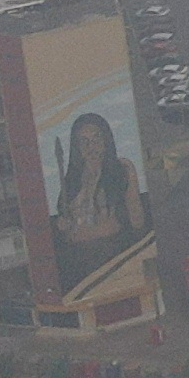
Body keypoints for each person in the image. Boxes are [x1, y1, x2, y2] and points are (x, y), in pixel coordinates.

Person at [52, 105, 141, 277]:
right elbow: (64, 225)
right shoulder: (70, 181)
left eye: (97, 138)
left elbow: (135, 219)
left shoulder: (122, 170)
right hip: (79, 262)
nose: (91, 146)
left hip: (114, 255)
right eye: (84, 141)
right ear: (76, 147)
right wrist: (63, 226)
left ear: (106, 140)